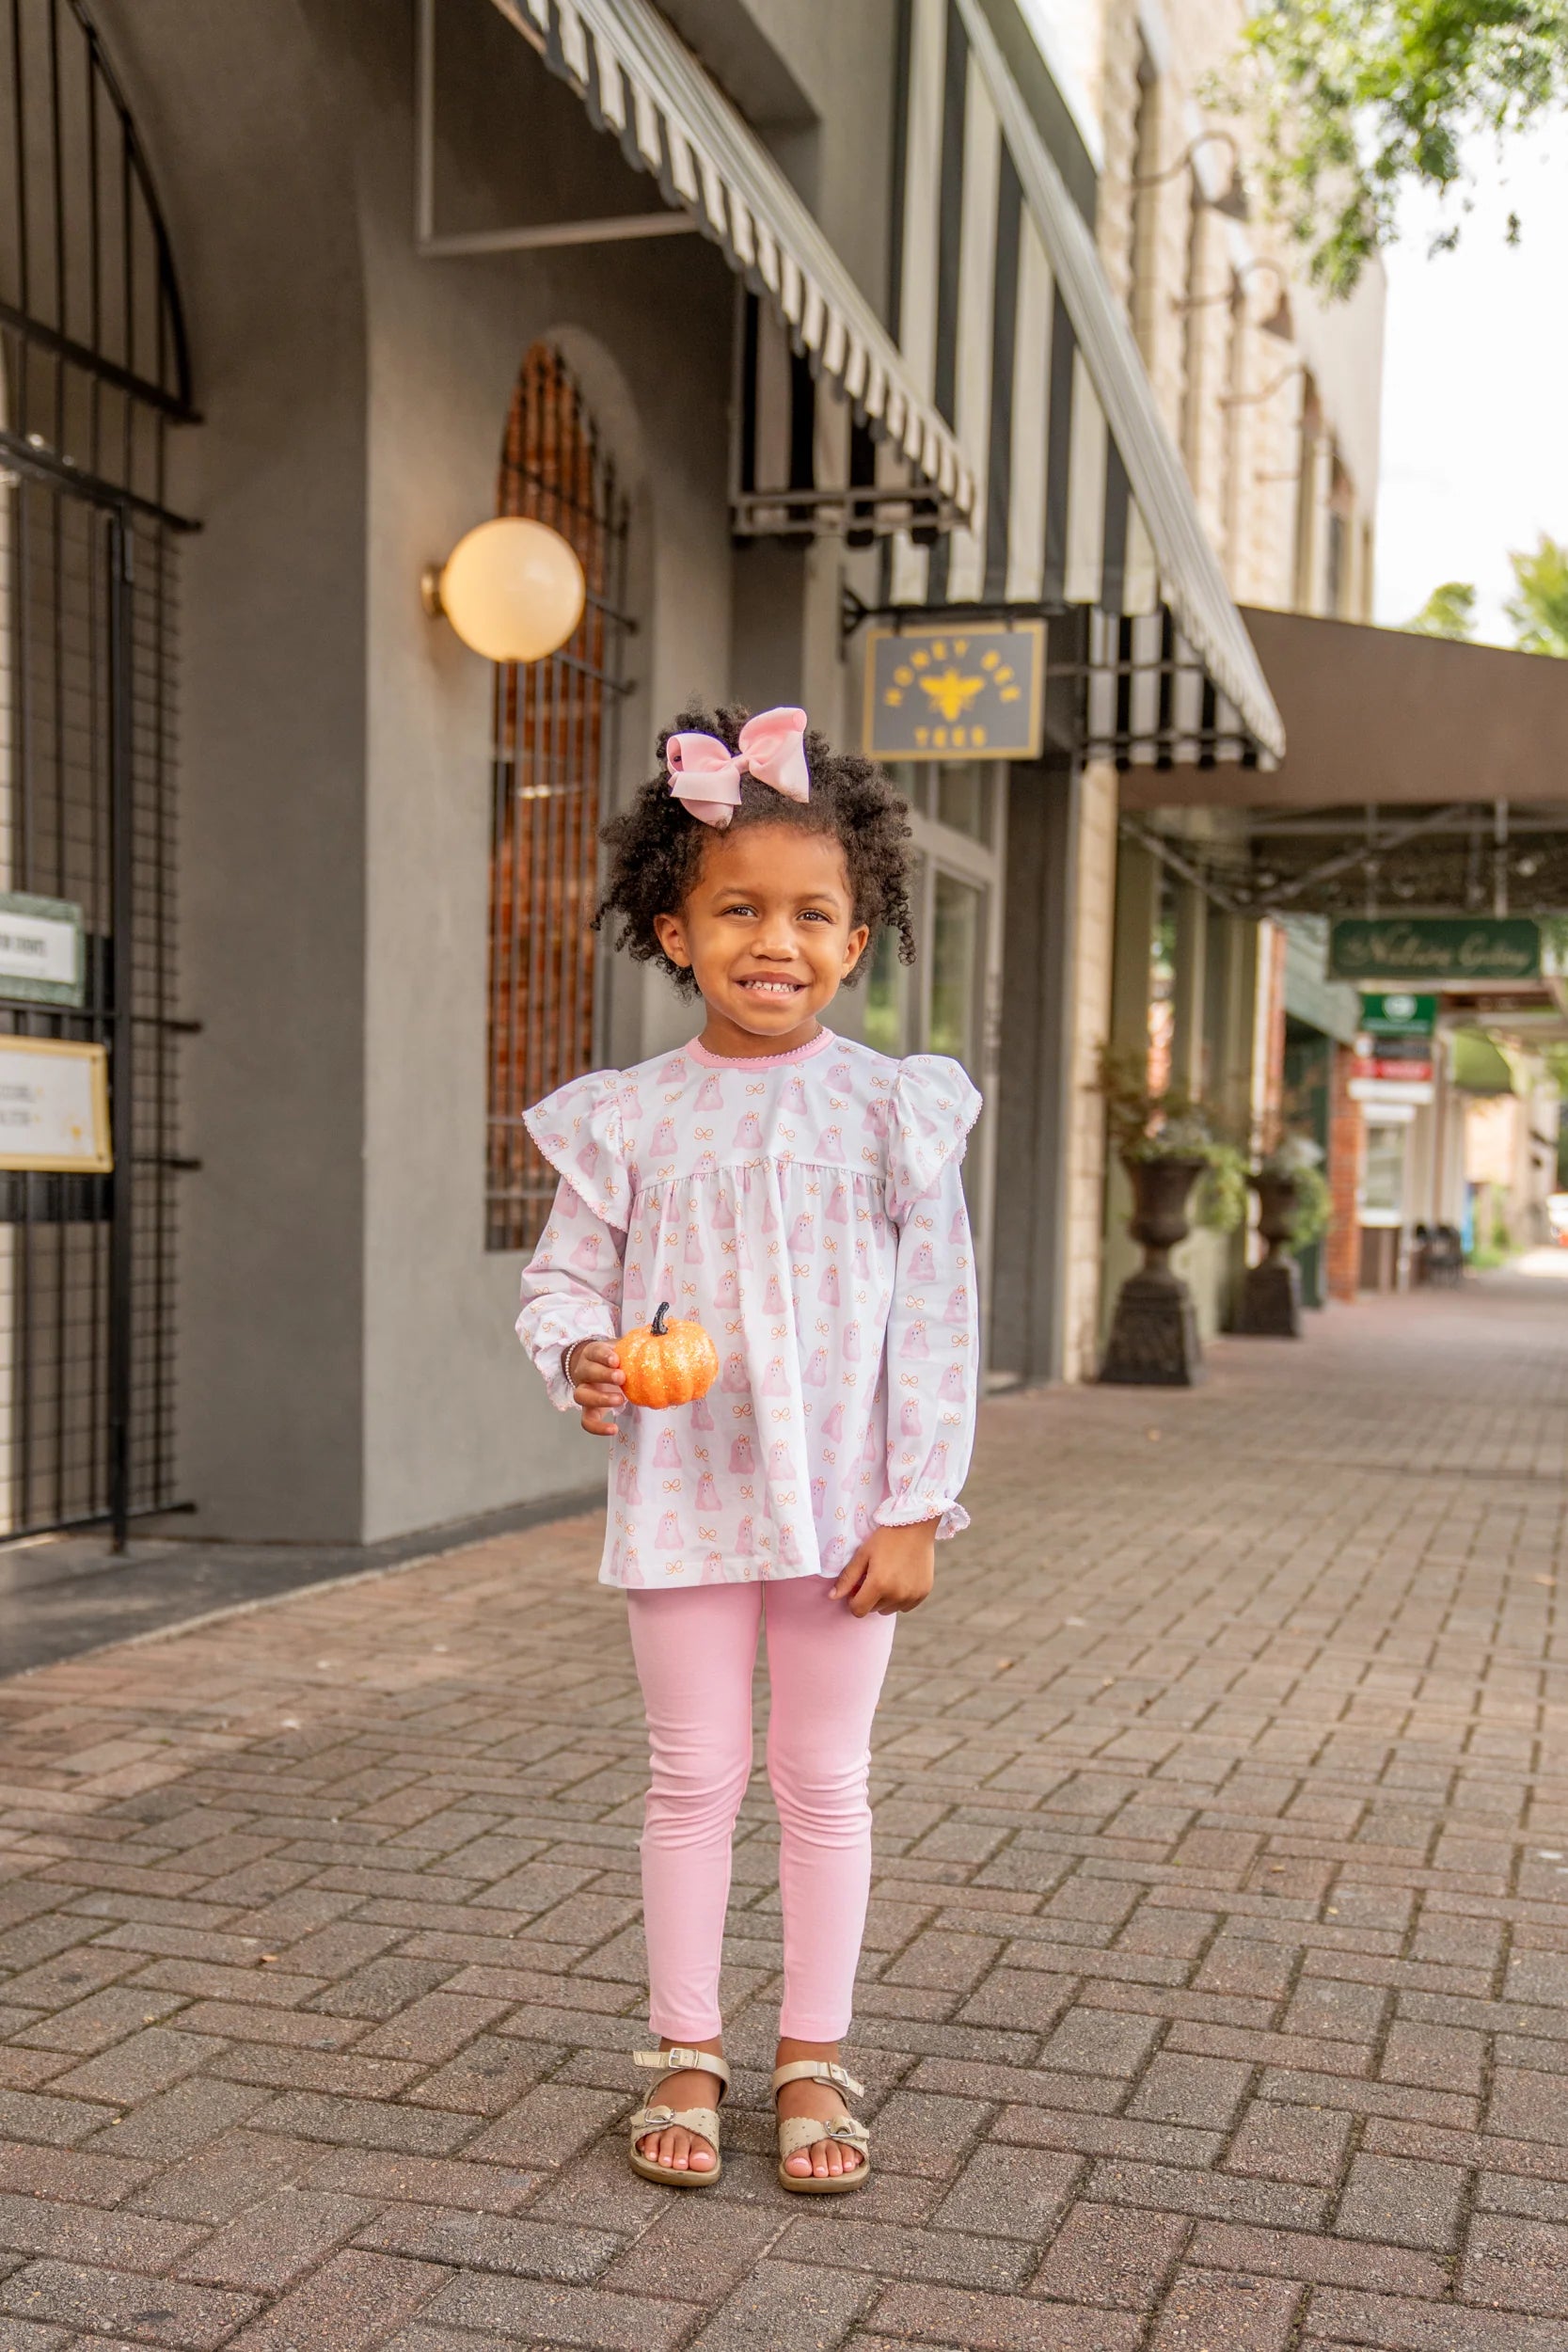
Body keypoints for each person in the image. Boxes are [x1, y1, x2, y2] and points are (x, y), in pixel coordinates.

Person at [515, 704, 980, 2197]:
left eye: (811, 915)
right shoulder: (629, 1119)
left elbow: (940, 1321)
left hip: (847, 1510)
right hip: (687, 1502)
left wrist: (916, 1505)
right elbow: (561, 1285)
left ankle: (813, 2058)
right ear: (675, 928)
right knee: (692, 1777)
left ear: (856, 942)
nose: (773, 941)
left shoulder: (893, 1111)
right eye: (737, 910)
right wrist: (579, 1356)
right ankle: (686, 2051)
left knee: (823, 1780)